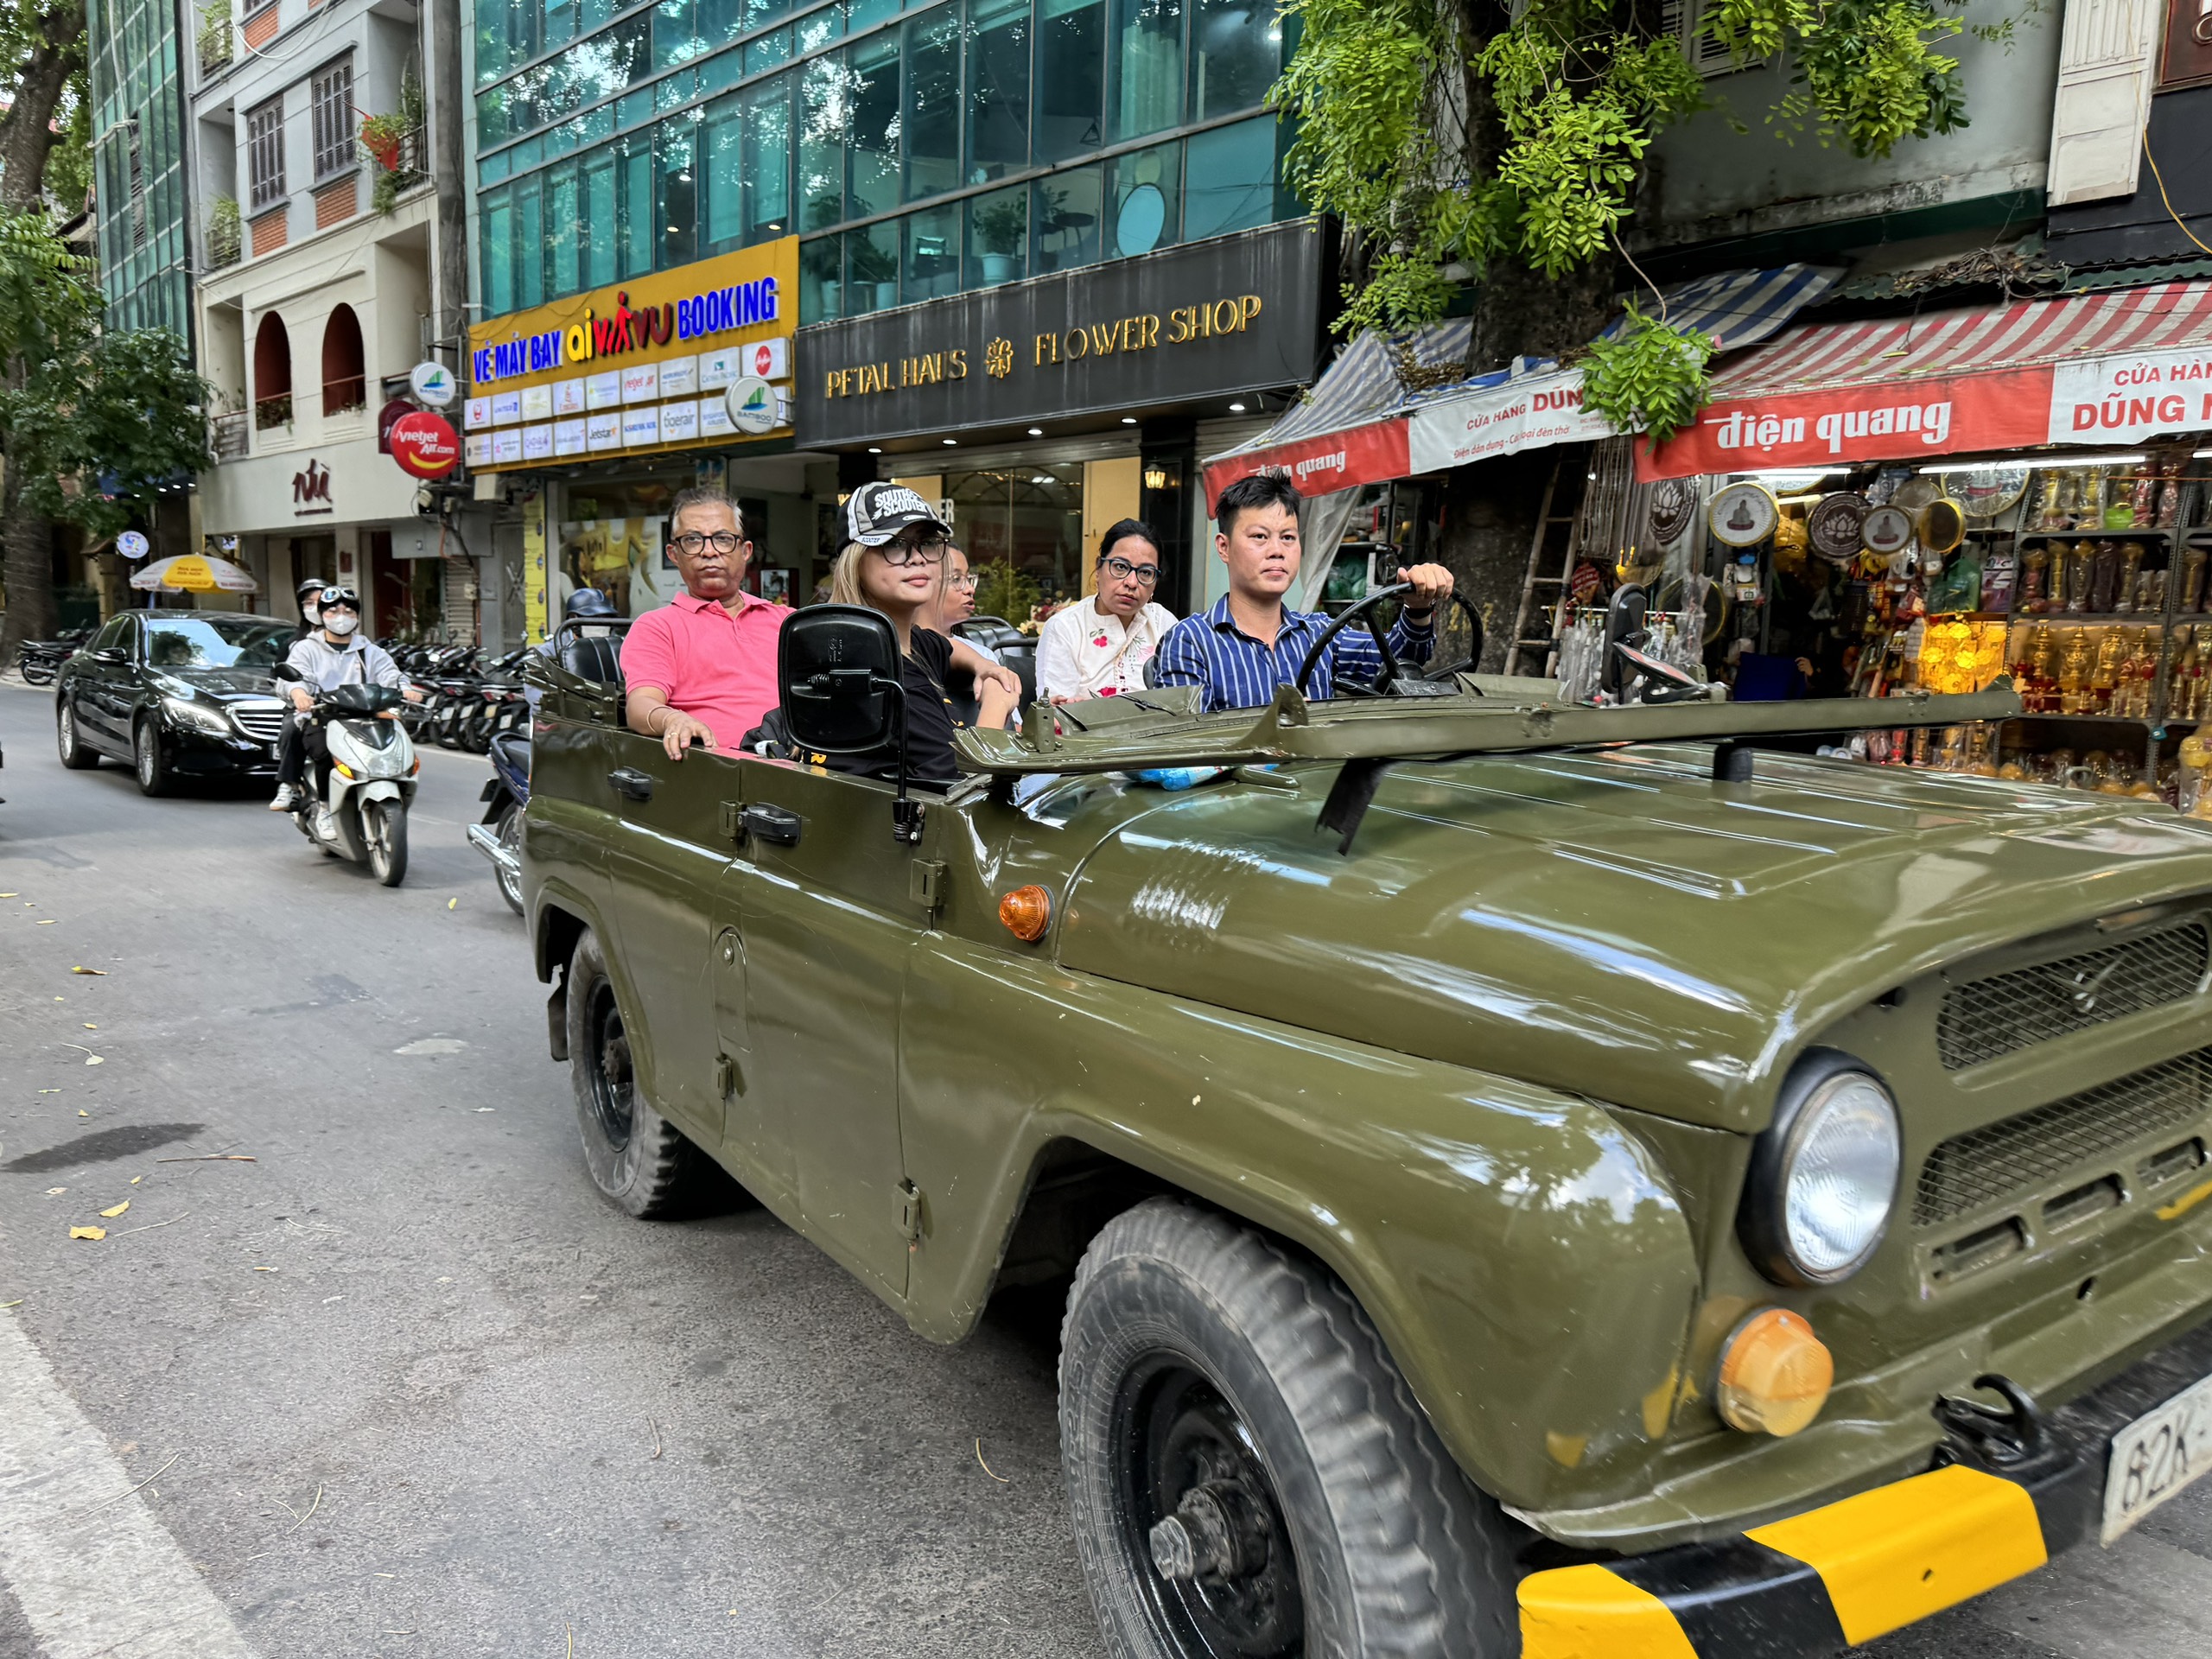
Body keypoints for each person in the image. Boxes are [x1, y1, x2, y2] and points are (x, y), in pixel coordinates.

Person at [1149, 473, 1455, 712]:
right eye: (1260, 537)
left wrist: (1418, 609)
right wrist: (1273, 728)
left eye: (1288, 537)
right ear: (1224, 547)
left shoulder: (1320, 633)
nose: (1277, 551)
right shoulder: (1190, 641)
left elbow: (1398, 661)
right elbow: (1185, 746)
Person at [825, 482, 1021, 785]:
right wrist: (998, 702)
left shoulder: (904, 643)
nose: (917, 558)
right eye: (894, 544)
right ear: (856, 562)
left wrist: (985, 667)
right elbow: (966, 782)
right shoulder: (880, 676)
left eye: (927, 542)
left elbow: (948, 648)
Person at [621, 487, 785, 760]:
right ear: (674, 554)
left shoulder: (785, 620)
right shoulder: (657, 627)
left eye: (723, 539)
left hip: (805, 765)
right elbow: (640, 706)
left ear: (745, 551)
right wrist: (673, 719)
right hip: (718, 771)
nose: (709, 551)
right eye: (693, 540)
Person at [269, 588, 423, 812]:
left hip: (365, 716)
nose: (341, 617)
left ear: (357, 617)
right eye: (333, 611)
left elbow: (391, 674)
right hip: (321, 715)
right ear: (322, 616)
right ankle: (323, 807)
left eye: (348, 612)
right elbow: (294, 676)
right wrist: (300, 694)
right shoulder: (306, 648)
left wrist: (406, 690)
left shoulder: (370, 651)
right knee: (324, 750)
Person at [1036, 519, 1179, 701]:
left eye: (1145, 572)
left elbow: (1179, 700)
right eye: (1120, 567)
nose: (1131, 582)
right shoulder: (1065, 628)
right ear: (1098, 568)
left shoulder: (1164, 623)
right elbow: (1053, 709)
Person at [292, 577, 327, 641]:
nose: (316, 608)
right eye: (309, 603)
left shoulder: (344, 638)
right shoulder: (295, 642)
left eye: (320, 602)